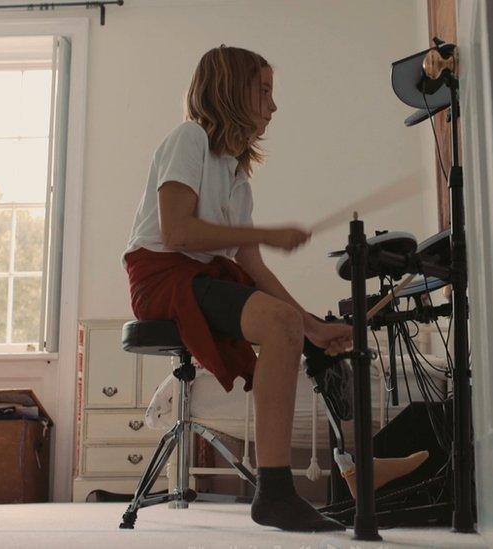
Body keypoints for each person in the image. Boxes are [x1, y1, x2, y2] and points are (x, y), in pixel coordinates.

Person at [122, 45, 351, 532]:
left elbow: (252, 268)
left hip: (201, 275)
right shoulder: (189, 140)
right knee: (279, 319)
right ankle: (276, 492)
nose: (273, 105)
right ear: (230, 91)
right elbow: (178, 233)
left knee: (285, 322)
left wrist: (311, 325)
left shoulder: (237, 174)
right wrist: (265, 233)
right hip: (161, 275)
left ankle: (274, 492)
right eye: (263, 90)